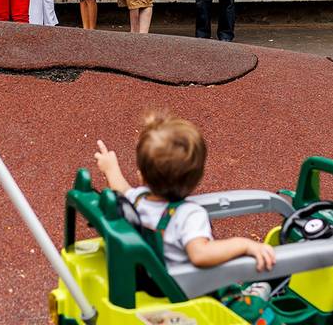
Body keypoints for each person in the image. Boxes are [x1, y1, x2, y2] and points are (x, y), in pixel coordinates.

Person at [94, 111, 276, 271]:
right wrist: (244, 245)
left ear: (142, 177)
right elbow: (200, 254)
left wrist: (111, 169)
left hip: (148, 280)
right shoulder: (189, 215)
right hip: (186, 291)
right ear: (196, 180)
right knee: (255, 300)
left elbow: (121, 189)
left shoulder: (136, 200)